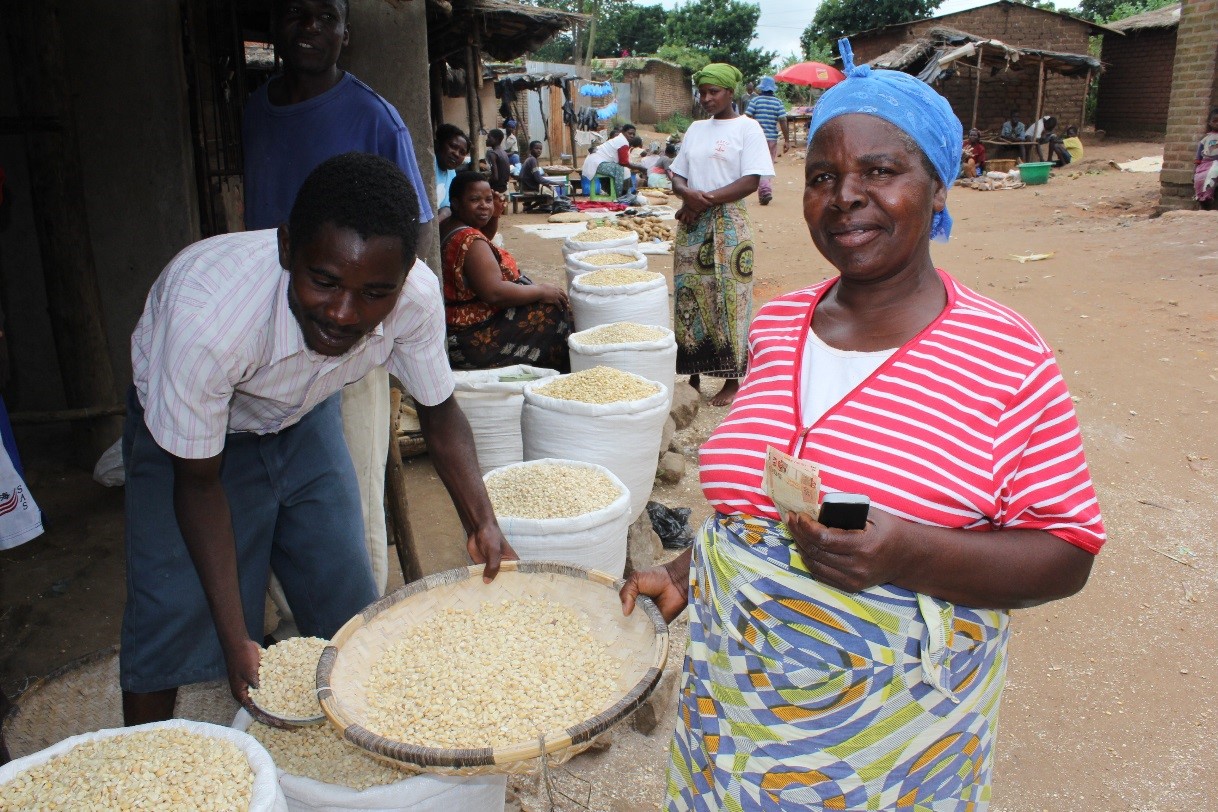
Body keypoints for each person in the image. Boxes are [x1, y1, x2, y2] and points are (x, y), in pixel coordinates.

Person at [621, 39, 1105, 811]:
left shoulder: (1004, 355)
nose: (845, 195)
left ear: (939, 188)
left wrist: (907, 552)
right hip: (735, 717)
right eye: (823, 177)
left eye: (880, 171)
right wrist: (686, 576)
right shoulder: (779, 325)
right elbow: (768, 507)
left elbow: (1066, 553)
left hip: (891, 741)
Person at [121, 154, 515, 726]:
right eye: (323, 281)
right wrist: (237, 640)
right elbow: (198, 487)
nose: (343, 312)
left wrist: (482, 521)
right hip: (197, 439)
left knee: (345, 596)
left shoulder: (415, 300)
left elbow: (439, 410)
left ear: (403, 280)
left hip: (302, 412)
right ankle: (142, 758)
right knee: (177, 613)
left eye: (375, 293)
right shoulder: (209, 319)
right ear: (287, 249)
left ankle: (364, 754)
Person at [241, 0, 436, 613]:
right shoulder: (256, 112)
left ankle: (358, 628)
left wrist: (382, 329)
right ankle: (295, 633)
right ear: (272, 25)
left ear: (345, 35)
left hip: (347, 340)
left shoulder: (373, 118)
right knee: (270, 487)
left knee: (348, 491)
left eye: (325, 17)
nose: (309, 28)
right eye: (295, 13)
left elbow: (413, 236)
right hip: (266, 336)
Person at [669, 63, 774, 407]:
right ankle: (694, 374)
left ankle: (732, 378)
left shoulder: (749, 128)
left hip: (729, 223)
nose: (707, 98)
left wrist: (702, 200)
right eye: (702, 92)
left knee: (729, 296)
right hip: (692, 224)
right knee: (689, 294)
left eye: (714, 92)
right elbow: (678, 175)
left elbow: (752, 180)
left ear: (731, 92)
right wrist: (688, 195)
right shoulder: (696, 129)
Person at [440, 171, 571, 371]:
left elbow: (484, 238)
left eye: (488, 199)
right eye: (474, 200)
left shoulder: (453, 225)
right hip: (472, 339)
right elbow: (495, 293)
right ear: (456, 203)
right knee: (554, 313)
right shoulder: (469, 241)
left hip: (457, 329)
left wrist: (494, 217)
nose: (484, 205)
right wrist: (541, 291)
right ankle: (560, 371)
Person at [745, 76, 791, 205]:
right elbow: (783, 120)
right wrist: (787, 140)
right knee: (767, 164)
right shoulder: (778, 102)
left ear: (761, 88)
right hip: (772, 139)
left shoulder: (755, 101)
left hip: (756, 138)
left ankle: (765, 190)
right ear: (773, 89)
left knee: (759, 164)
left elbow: (747, 117)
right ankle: (765, 190)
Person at [580, 122, 645, 194]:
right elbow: (623, 162)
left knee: (624, 170)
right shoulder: (622, 142)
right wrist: (640, 168)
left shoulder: (621, 140)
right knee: (622, 170)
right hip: (596, 164)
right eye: (629, 133)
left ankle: (619, 193)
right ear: (623, 132)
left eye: (633, 134)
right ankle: (622, 193)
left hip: (595, 162)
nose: (632, 136)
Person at [434, 123, 471, 222]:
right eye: (452, 146)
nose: (456, 154)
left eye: (462, 153)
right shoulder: (429, 165)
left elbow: (447, 207)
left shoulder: (451, 173)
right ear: (438, 144)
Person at [519, 140, 562, 210]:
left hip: (526, 187)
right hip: (531, 189)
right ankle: (546, 205)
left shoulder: (529, 159)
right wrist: (555, 183)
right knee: (552, 190)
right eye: (536, 148)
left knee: (547, 186)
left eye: (540, 149)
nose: (539, 151)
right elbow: (538, 179)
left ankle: (529, 205)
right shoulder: (532, 160)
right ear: (530, 149)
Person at [1193, 107, 1218, 209]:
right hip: (1206, 164)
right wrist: (1194, 170)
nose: (1217, 123)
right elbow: (1198, 156)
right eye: (1215, 121)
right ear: (1209, 123)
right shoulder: (1205, 139)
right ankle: (1204, 200)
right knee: (1200, 179)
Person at [485, 128, 511, 194]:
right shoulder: (504, 152)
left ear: (496, 140)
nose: (486, 139)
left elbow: (495, 177)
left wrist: (486, 181)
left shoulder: (493, 154)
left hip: (496, 189)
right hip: (504, 187)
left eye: (489, 137)